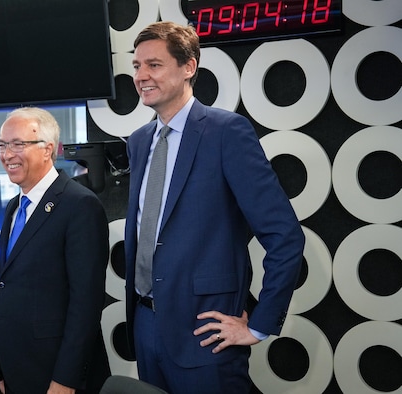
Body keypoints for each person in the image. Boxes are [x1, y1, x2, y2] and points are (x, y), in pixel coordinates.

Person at [124, 21, 305, 393]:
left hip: (203, 333)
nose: (141, 76)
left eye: (153, 65)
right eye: (137, 66)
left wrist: (258, 324)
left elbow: (284, 235)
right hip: (144, 323)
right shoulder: (140, 141)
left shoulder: (226, 132)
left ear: (188, 67)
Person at [0, 107, 111, 394]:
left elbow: (85, 304)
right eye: (2, 145)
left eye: (18, 144)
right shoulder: (13, 207)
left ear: (47, 149)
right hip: (17, 370)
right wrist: (2, 370)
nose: (7, 154)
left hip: (57, 377)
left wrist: (66, 379)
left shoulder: (80, 205)